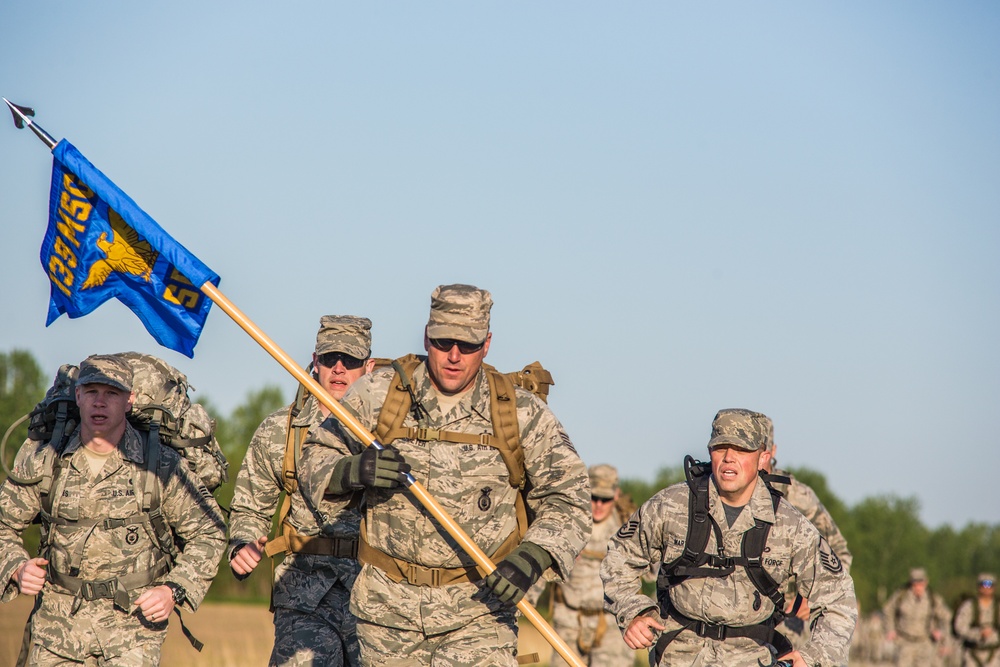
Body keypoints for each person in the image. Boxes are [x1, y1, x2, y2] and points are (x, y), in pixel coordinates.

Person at [298, 284, 591, 667]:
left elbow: (569, 498)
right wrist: (352, 471)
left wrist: (532, 558)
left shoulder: (519, 412)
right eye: (442, 342)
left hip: (480, 617)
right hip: (387, 619)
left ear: (486, 344)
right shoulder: (380, 394)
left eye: (467, 345)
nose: (454, 356)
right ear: (425, 335)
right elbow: (313, 456)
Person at [0, 355, 226, 666]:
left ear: (130, 400)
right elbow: (3, 525)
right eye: (91, 392)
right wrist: (16, 567)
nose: (100, 403)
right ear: (78, 396)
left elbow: (210, 532)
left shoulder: (160, 465)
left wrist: (173, 590)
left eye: (112, 393)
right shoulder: (45, 460)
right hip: (57, 630)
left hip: (133, 633)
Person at [601, 408, 857, 667]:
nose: (729, 458)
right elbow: (619, 556)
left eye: (742, 450)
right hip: (677, 656)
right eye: (720, 447)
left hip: (751, 658)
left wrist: (815, 657)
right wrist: (634, 611)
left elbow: (839, 597)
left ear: (763, 458)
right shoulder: (671, 505)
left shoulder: (790, 525)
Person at [228, 315, 376, 666]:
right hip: (303, 597)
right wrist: (241, 546)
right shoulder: (281, 430)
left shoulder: (391, 432)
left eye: (351, 361)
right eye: (329, 359)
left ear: (369, 367)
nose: (339, 369)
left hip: (377, 600)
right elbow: (250, 506)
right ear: (315, 361)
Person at [758, 415, 853, 644]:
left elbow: (839, 552)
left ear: (772, 450)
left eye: (762, 450)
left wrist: (809, 598)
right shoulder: (725, 492)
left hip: (787, 624)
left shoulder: (799, 497)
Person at [549, 464, 635, 667]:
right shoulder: (568, 521)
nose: (598, 504)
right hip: (569, 623)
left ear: (615, 496)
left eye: (604, 499)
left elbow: (651, 573)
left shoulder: (630, 526)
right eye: (593, 497)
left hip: (612, 627)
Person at [883, 567, 951, 666]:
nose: (918, 586)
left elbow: (946, 617)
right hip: (904, 642)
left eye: (921, 582)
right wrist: (890, 629)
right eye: (915, 582)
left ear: (926, 582)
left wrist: (940, 632)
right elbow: (888, 610)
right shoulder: (901, 596)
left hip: (925, 643)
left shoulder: (933, 599)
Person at [952, 573, 999, 667]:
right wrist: (977, 633)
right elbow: (959, 627)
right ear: (979, 587)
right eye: (983, 585)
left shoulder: (998, 606)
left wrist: (992, 633)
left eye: (989, 585)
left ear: (993, 588)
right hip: (972, 653)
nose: (986, 588)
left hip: (994, 654)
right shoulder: (968, 606)